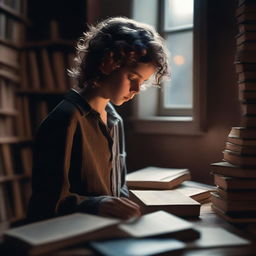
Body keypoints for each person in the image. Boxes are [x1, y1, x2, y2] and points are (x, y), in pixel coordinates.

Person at [27, 16, 169, 222]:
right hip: (70, 233)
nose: (137, 90)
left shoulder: (115, 120)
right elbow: (47, 203)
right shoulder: (65, 120)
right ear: (108, 63)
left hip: (109, 228)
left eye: (143, 82)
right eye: (132, 78)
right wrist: (97, 205)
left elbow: (118, 186)